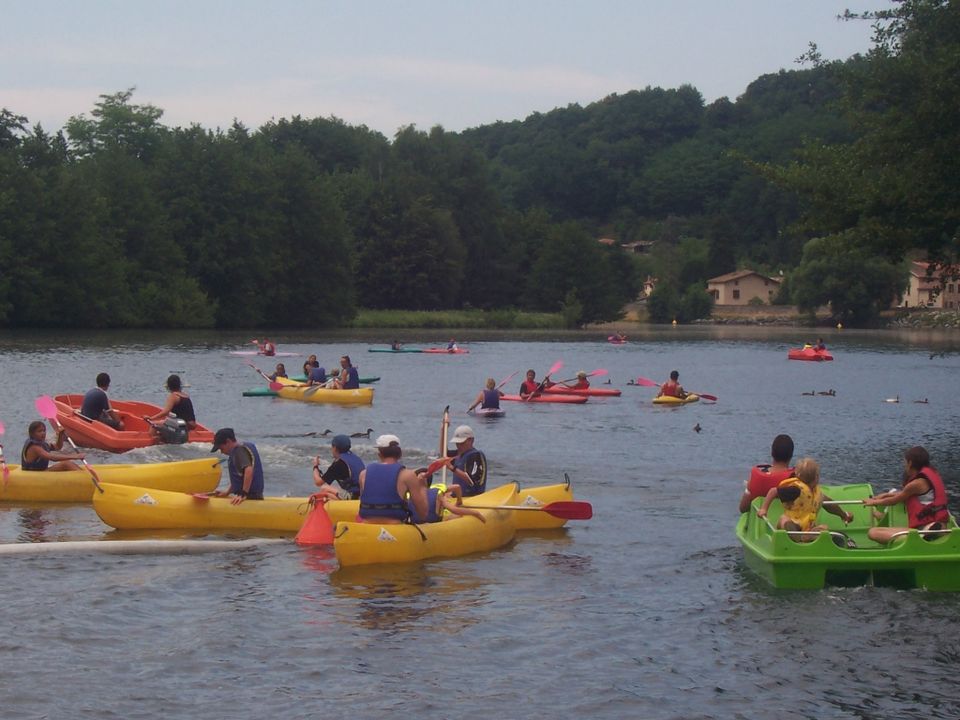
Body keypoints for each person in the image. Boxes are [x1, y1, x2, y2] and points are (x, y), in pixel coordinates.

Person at [863, 446, 950, 543]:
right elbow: (906, 494)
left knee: (873, 532)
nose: (904, 465)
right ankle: (930, 532)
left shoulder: (916, 483)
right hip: (941, 524)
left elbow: (894, 501)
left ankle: (920, 538)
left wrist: (872, 502)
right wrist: (885, 495)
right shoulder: (931, 475)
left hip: (923, 528)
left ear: (910, 463)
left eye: (905, 462)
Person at [756, 458, 852, 542]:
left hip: (808, 528)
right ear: (816, 477)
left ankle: (805, 537)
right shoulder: (796, 490)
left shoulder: (817, 493)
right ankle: (796, 536)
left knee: (824, 528)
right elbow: (773, 491)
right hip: (793, 524)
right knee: (784, 519)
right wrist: (764, 509)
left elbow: (829, 505)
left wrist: (843, 515)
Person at [357, 435, 428, 524]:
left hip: (366, 526)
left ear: (379, 454)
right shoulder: (408, 475)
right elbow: (423, 513)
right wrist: (422, 486)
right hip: (394, 527)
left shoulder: (363, 474)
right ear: (400, 454)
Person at [739, 434, 795, 513]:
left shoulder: (757, 476)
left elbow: (743, 508)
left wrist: (748, 487)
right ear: (791, 455)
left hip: (759, 523)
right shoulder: (794, 479)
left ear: (772, 453)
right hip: (782, 522)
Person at [209, 428, 264, 505]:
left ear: (228, 441)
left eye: (221, 448)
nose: (221, 452)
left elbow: (249, 470)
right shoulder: (244, 447)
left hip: (250, 497)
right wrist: (227, 492)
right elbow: (240, 476)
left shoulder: (239, 451)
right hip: (252, 495)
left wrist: (243, 494)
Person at [144, 374, 197, 443]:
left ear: (168, 386)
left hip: (182, 424)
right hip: (191, 425)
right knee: (164, 425)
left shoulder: (173, 396)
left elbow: (165, 412)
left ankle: (152, 444)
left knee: (154, 425)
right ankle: (164, 439)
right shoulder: (185, 396)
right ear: (179, 385)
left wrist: (151, 418)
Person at [312, 434, 365, 501]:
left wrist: (315, 466)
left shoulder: (339, 463)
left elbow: (318, 482)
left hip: (353, 497)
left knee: (324, 488)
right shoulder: (356, 458)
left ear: (335, 448)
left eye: (332, 447)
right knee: (328, 493)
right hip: (362, 495)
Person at [439, 425, 487, 497]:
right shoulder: (458, 454)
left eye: (461, 443)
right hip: (457, 496)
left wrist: (452, 467)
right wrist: (443, 430)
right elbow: (444, 453)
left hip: (472, 497)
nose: (459, 445)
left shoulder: (476, 455)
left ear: (471, 440)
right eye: (457, 443)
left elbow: (471, 480)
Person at [20, 421, 85, 472]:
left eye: (44, 430)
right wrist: (75, 456)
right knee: (66, 464)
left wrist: (60, 435)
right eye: (39, 431)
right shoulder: (35, 448)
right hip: (33, 475)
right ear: (32, 434)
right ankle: (86, 480)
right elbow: (52, 458)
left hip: (41, 472)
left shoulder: (42, 444)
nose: (43, 433)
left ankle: (84, 476)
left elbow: (58, 447)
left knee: (67, 464)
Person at [409, 482, 486, 524]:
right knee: (456, 515)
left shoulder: (408, 494)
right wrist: (475, 513)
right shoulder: (438, 494)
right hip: (433, 525)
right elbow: (454, 509)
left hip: (414, 523)